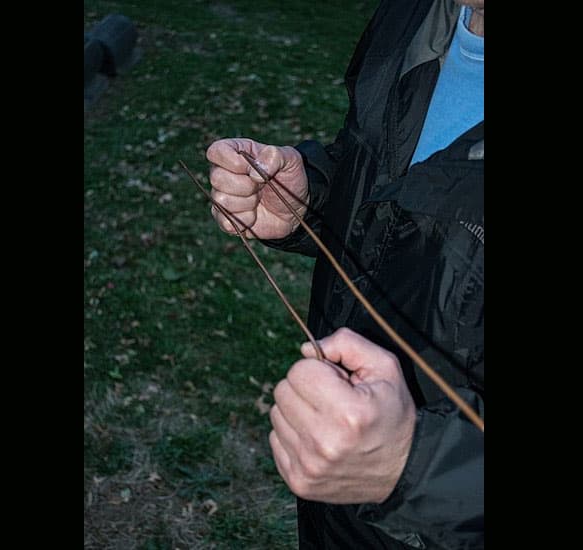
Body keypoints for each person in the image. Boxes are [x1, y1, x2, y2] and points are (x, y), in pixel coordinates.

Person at [206, 0, 484, 547]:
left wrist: (422, 472)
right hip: (336, 506)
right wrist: (310, 200)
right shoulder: (415, 14)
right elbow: (389, 177)